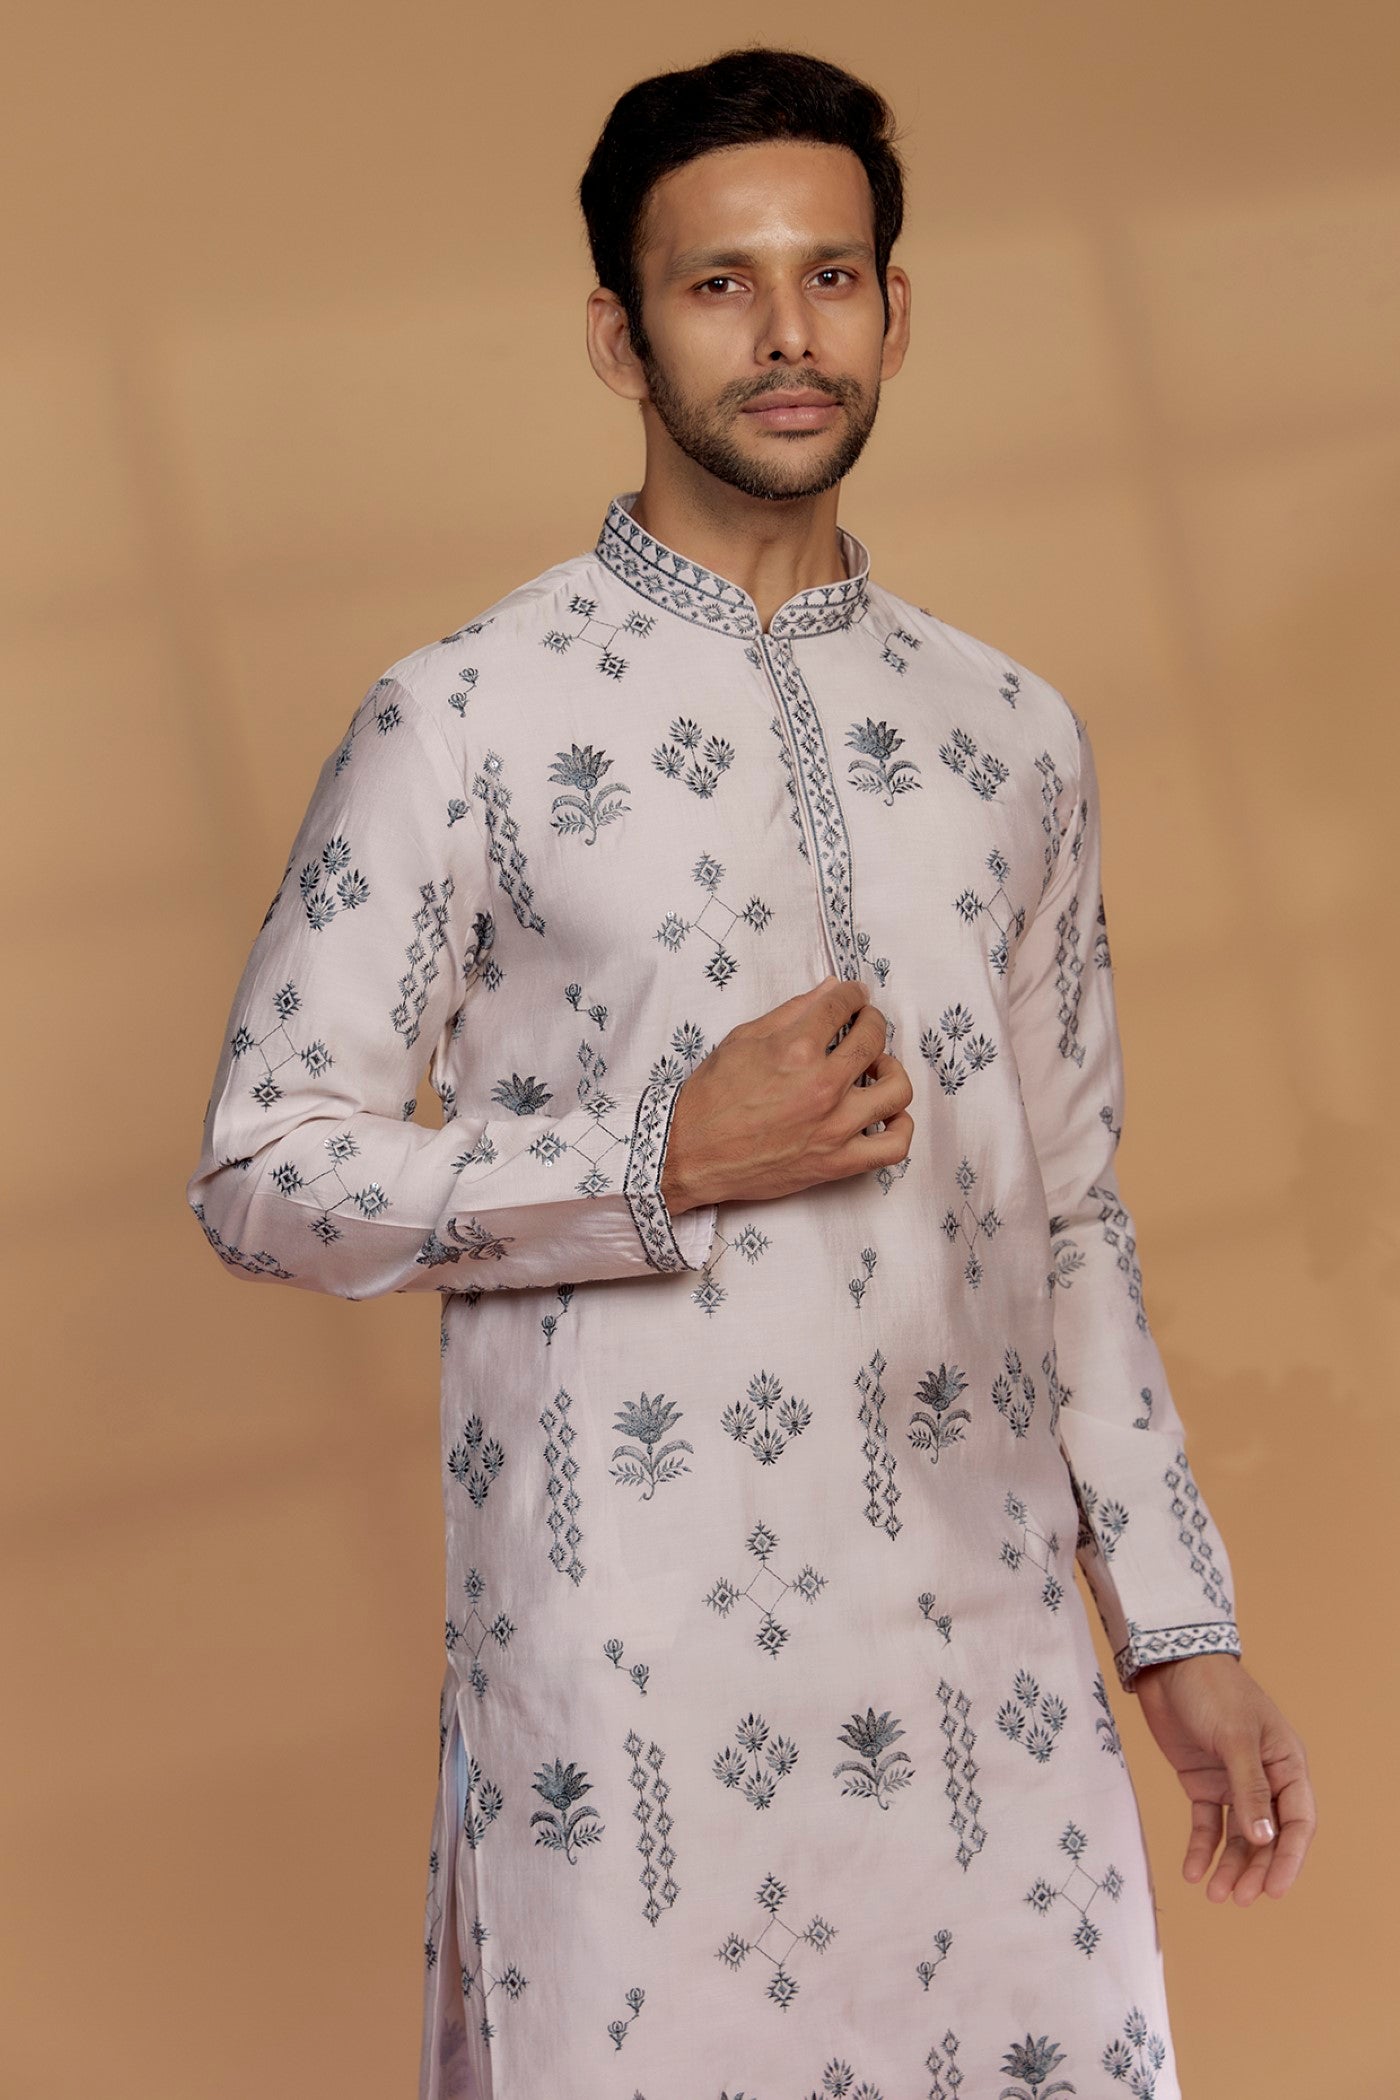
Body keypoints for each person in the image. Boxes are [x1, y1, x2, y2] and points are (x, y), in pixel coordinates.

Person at [185, 44, 1316, 2100]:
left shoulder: (1009, 736)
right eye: (721, 284)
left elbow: (1067, 1214)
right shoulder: (468, 717)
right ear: (619, 337)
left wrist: (1175, 1626)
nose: (788, 334)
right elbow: (264, 1167)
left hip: (987, 1682)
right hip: (634, 1692)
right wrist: (656, 1157)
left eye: (831, 275)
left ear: (895, 309)